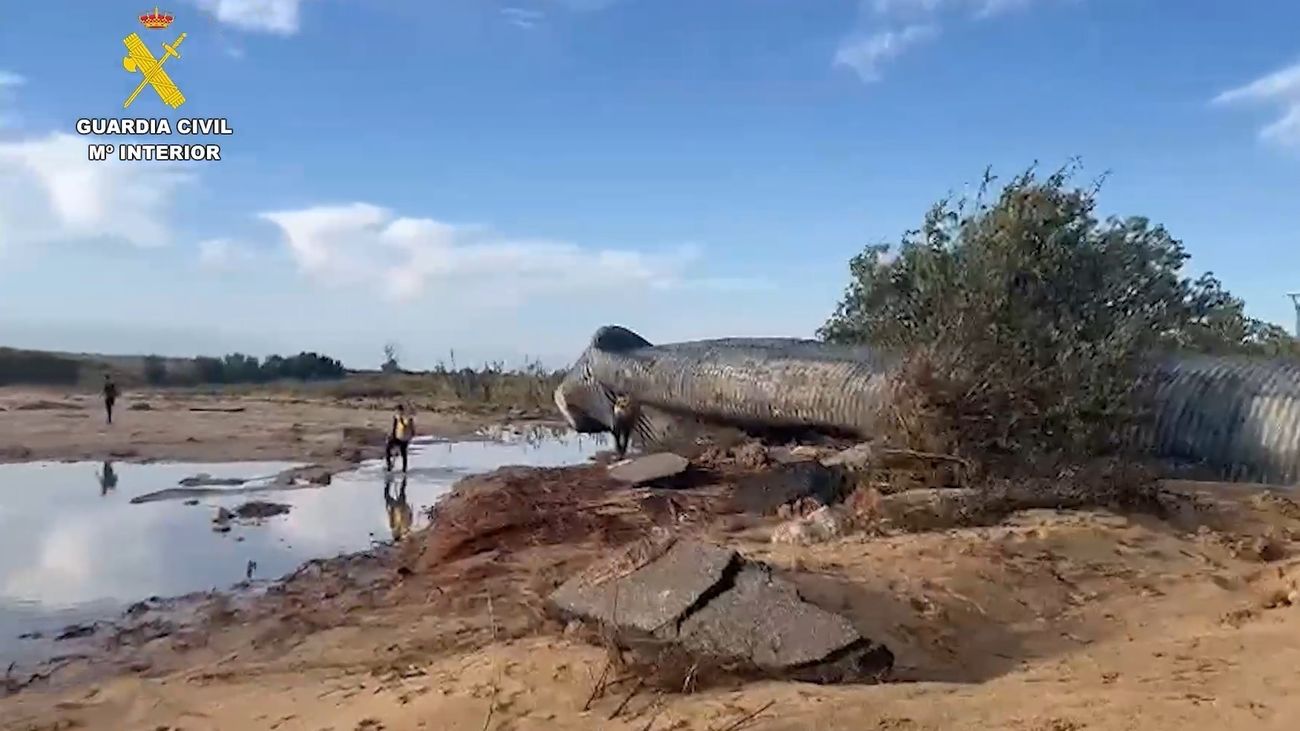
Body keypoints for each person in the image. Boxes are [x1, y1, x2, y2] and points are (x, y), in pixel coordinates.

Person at [385, 403, 415, 473]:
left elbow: (407, 425)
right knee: (388, 449)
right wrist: (391, 435)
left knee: (403, 454)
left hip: (404, 438)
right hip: (397, 437)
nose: (398, 412)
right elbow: (394, 427)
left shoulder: (406, 418)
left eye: (398, 411)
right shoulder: (396, 417)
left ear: (402, 411)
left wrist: (401, 419)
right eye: (397, 411)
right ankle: (389, 465)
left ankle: (404, 469)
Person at [383, 473, 413, 543]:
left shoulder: (404, 527)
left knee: (401, 490)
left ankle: (389, 481)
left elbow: (391, 515)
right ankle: (389, 482)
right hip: (399, 506)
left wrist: (388, 509)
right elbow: (409, 515)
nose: (393, 533)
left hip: (397, 506)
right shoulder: (404, 527)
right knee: (399, 491)